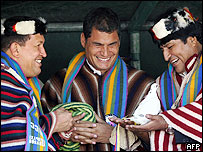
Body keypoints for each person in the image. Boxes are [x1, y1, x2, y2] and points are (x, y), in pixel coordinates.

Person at [41, 7, 154, 151]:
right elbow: (40, 136)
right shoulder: (59, 83)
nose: (105, 53)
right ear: (83, 40)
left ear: (119, 42)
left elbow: (158, 141)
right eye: (98, 44)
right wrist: (66, 134)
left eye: (112, 44)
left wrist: (114, 135)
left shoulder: (143, 84)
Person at [109, 7, 202, 151]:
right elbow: (146, 114)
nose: (166, 57)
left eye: (170, 47)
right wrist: (132, 122)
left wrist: (166, 121)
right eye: (163, 50)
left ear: (192, 40)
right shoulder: (164, 83)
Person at [1, 16, 85, 151]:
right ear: (16, 49)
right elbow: (14, 143)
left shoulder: (16, 81)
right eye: (38, 45)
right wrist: (54, 121)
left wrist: (60, 135)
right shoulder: (5, 83)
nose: (44, 53)